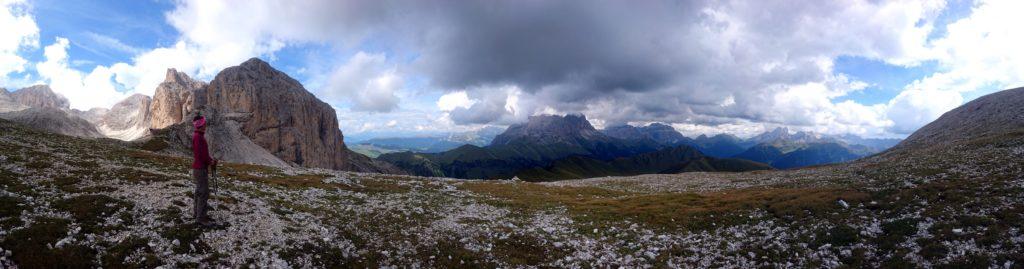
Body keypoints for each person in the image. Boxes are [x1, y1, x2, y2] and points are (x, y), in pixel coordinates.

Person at [191, 115, 217, 226]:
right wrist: (210, 162)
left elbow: (202, 154)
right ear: (201, 125)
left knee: (199, 191)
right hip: (200, 168)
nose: (206, 125)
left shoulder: (198, 136)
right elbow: (201, 154)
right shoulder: (198, 137)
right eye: (204, 123)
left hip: (199, 167)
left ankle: (197, 213)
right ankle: (200, 218)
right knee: (203, 193)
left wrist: (210, 160)